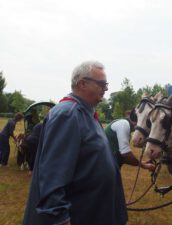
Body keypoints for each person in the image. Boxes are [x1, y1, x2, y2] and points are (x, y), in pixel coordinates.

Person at [22, 61, 127, 225]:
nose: (106, 88)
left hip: (92, 212)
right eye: (102, 83)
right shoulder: (68, 115)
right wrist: (60, 217)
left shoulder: (85, 113)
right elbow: (52, 175)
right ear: (82, 84)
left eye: (106, 84)